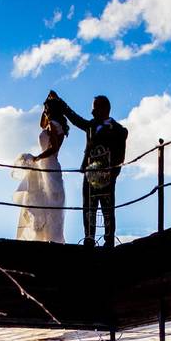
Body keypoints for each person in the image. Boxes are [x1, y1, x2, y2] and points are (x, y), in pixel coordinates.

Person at [45, 90, 127, 247]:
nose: (92, 111)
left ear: (104, 109)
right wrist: (60, 102)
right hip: (89, 173)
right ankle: (89, 237)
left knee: (107, 207)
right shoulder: (91, 126)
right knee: (89, 206)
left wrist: (113, 174)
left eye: (95, 108)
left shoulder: (119, 130)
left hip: (107, 175)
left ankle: (109, 238)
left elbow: (120, 156)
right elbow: (75, 119)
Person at [11, 97, 68, 242]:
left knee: (49, 202)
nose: (45, 111)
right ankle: (44, 236)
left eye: (47, 108)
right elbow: (41, 123)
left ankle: (52, 238)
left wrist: (37, 158)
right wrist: (46, 105)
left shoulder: (54, 126)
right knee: (43, 201)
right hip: (47, 165)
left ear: (52, 110)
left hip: (49, 165)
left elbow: (53, 148)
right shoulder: (51, 124)